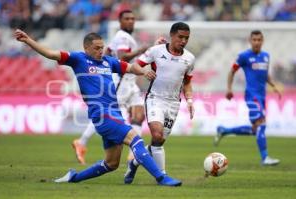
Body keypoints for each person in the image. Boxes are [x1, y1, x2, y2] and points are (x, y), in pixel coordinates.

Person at [14, 29, 182, 186]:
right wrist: (28, 40)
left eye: (102, 47)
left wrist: (143, 71)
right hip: (102, 115)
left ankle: (74, 177)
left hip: (114, 114)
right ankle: (161, 177)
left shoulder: (109, 62)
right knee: (136, 140)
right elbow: (50, 54)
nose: (100, 51)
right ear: (86, 48)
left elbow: (130, 67)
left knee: (111, 164)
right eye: (96, 48)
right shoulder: (78, 59)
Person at [72, 10, 148, 165]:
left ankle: (133, 156)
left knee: (139, 114)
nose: (131, 21)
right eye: (127, 19)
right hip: (120, 82)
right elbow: (122, 57)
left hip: (130, 83)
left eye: (133, 18)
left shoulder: (123, 38)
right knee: (107, 115)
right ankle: (82, 142)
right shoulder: (122, 36)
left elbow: (107, 54)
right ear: (120, 21)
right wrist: (142, 50)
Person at [124, 22, 196, 184]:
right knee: (156, 134)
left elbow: (187, 82)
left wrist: (190, 100)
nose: (183, 41)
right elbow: (135, 65)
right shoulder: (156, 51)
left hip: (173, 103)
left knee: (159, 141)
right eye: (180, 37)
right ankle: (162, 176)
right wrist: (144, 71)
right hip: (155, 99)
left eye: (186, 38)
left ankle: (135, 162)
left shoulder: (189, 58)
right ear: (172, 35)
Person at [214, 30, 282, 166]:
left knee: (255, 129)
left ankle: (224, 130)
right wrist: (229, 88)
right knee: (261, 123)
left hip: (262, 96)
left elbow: (264, 73)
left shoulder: (266, 56)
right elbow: (232, 71)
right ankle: (265, 158)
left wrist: (273, 85)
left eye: (259, 40)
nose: (256, 42)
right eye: (254, 40)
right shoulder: (243, 56)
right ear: (250, 41)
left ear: (262, 41)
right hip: (252, 96)